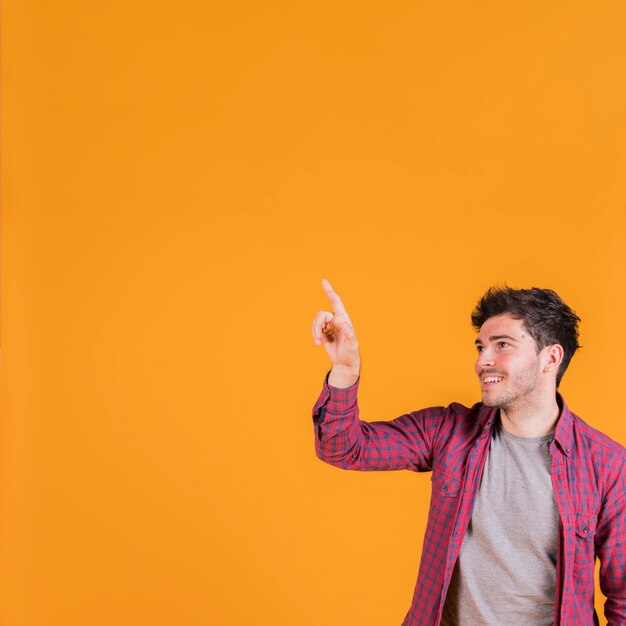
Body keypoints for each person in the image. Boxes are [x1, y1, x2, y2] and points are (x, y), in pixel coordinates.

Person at [311, 279, 626, 626]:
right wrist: (345, 369)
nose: (482, 361)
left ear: (550, 357)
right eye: (480, 347)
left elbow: (623, 596)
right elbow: (344, 448)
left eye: (502, 345)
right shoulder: (449, 432)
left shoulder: (607, 465)